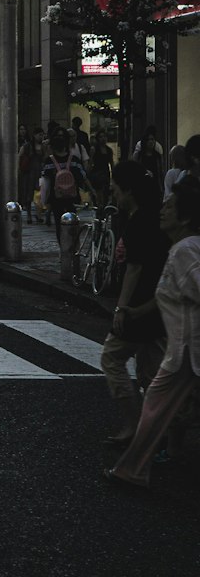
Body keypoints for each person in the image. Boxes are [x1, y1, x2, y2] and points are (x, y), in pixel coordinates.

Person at [105, 178, 200, 489]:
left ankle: (132, 469)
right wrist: (136, 311)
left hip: (188, 349)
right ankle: (134, 468)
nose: (162, 211)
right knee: (158, 405)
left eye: (169, 207)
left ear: (185, 217)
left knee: (156, 406)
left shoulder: (185, 250)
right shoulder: (183, 247)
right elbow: (172, 296)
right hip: (184, 351)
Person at [100, 161, 168, 443]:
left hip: (139, 305)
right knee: (150, 373)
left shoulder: (139, 221)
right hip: (157, 306)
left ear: (128, 190)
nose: (114, 194)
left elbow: (135, 267)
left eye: (116, 189)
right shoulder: (155, 217)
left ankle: (135, 425)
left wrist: (121, 308)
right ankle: (158, 431)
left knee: (111, 358)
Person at [39, 131, 87, 242]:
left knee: (59, 223)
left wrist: (45, 205)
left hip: (56, 198)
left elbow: (45, 184)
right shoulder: (74, 160)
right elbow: (82, 176)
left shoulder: (49, 162)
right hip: (72, 197)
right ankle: (74, 246)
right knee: (73, 222)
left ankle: (63, 248)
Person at [87, 129, 115, 215]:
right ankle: (99, 212)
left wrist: (113, 176)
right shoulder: (94, 149)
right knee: (99, 196)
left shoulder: (109, 150)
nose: (103, 139)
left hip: (105, 173)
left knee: (105, 195)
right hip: (97, 173)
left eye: (104, 136)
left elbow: (111, 163)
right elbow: (91, 162)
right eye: (101, 137)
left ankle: (102, 213)